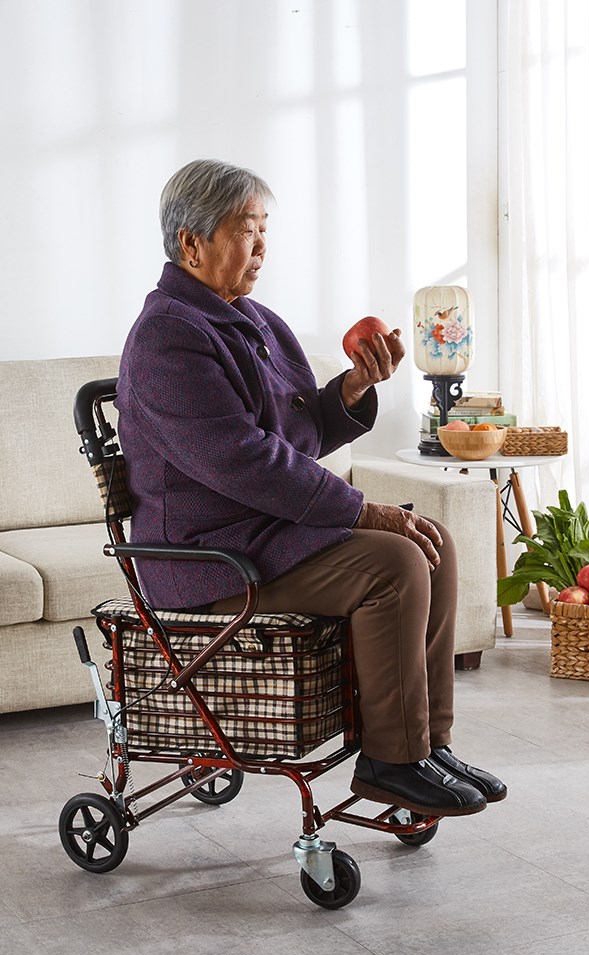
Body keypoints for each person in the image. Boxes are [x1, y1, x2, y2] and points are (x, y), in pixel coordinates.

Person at [116, 158, 506, 818]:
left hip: (259, 534)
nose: (263, 245)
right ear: (191, 243)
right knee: (395, 562)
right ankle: (392, 760)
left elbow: (291, 433)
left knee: (430, 539)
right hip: (207, 559)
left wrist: (352, 389)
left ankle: (427, 745)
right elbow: (245, 462)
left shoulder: (247, 319)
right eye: (247, 229)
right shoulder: (168, 338)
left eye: (265, 227)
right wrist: (363, 511)